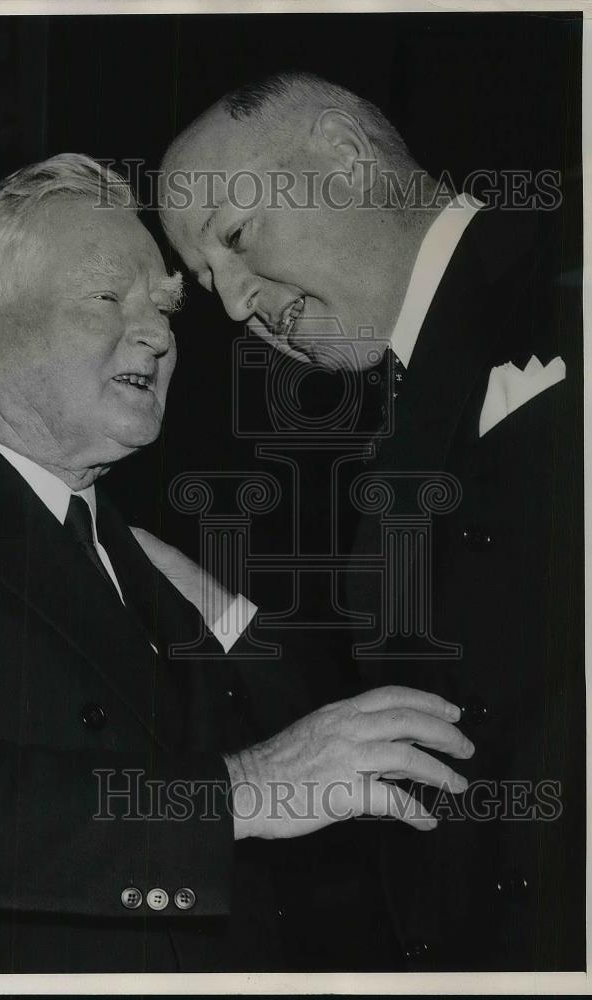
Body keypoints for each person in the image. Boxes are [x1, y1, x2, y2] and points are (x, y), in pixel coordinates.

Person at [0, 153, 473, 974]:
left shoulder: (123, 546)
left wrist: (217, 607)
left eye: (164, 308)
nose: (158, 335)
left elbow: (311, 759)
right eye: (107, 297)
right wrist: (232, 792)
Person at [156, 73, 584, 970]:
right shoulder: (386, 409)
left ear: (346, 157)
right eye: (207, 279)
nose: (233, 305)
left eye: (234, 237)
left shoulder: (564, 266)